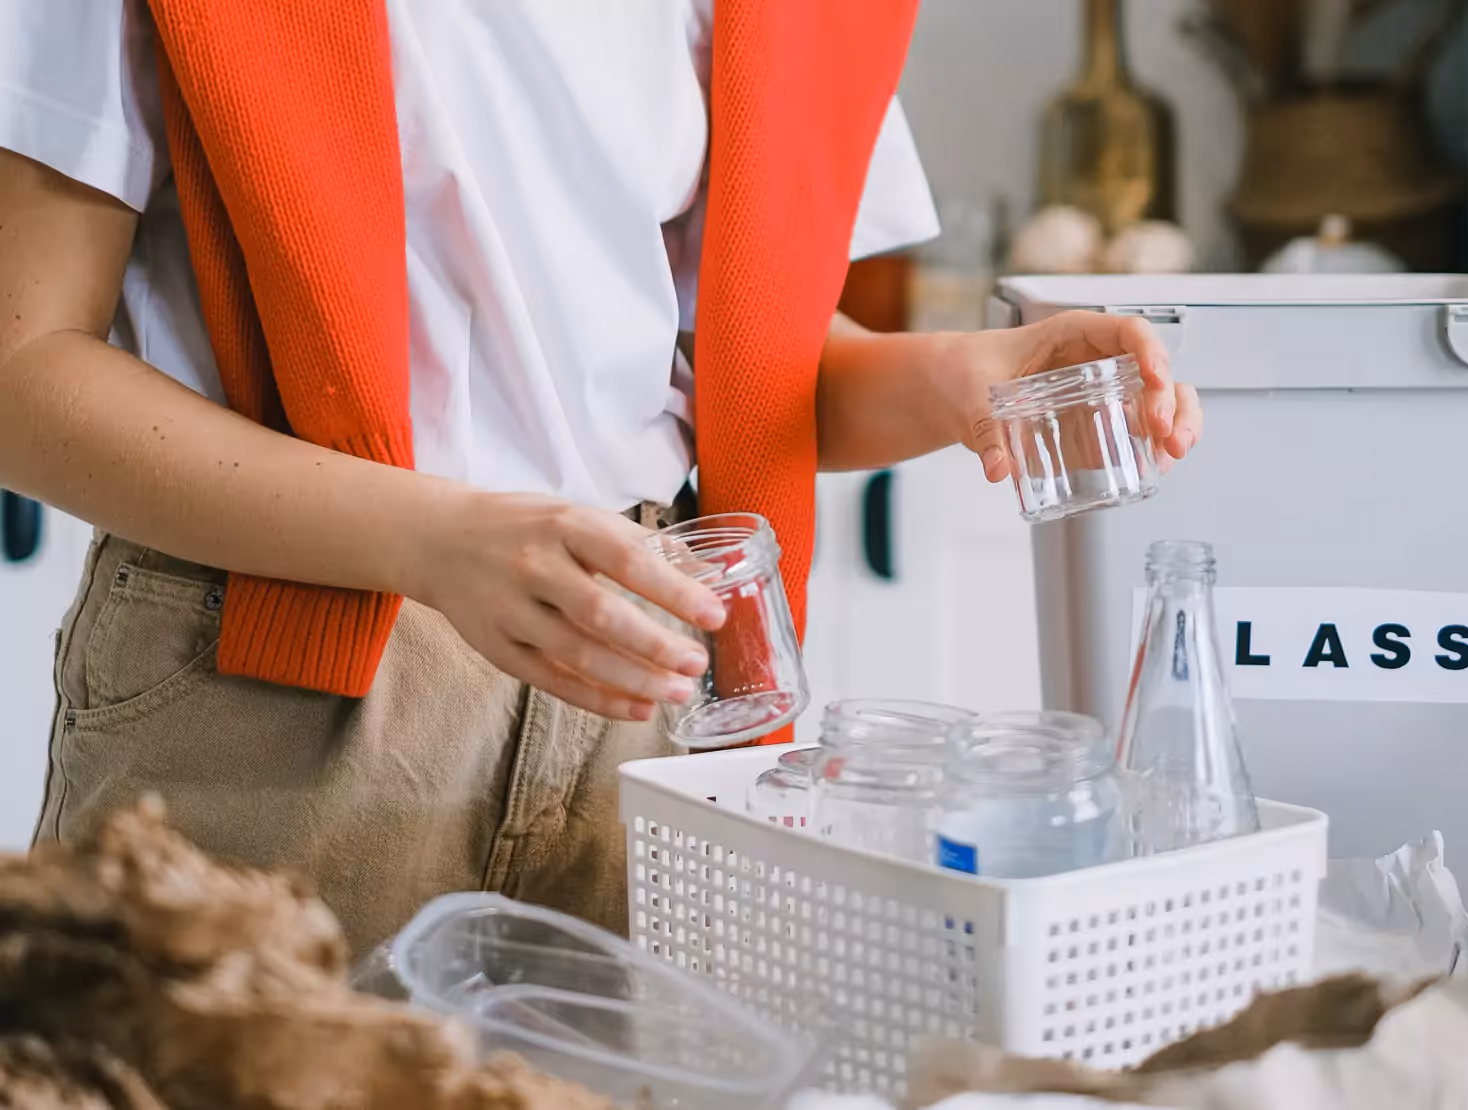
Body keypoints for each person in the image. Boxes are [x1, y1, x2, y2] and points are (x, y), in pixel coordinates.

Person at [0, 0, 1200, 952]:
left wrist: (953, 376)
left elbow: (744, 367)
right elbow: (23, 367)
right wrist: (427, 538)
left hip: (650, 703)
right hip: (272, 692)